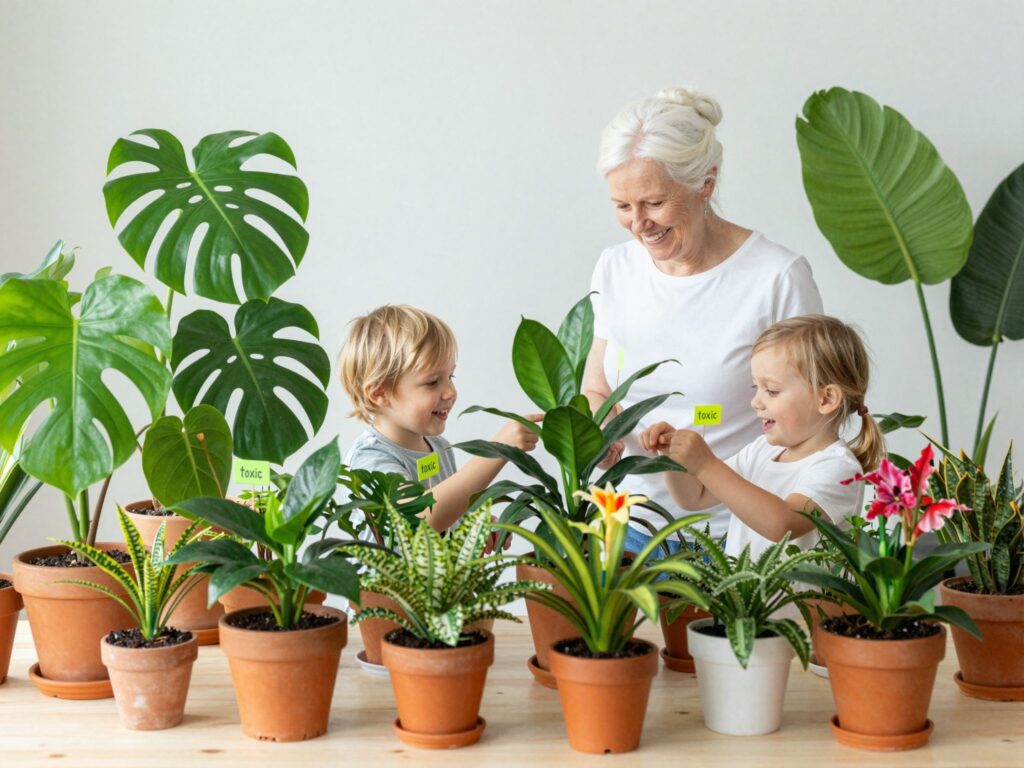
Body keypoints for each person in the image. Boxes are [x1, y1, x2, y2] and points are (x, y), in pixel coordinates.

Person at [584, 86, 824, 552]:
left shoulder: (776, 278)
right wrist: (598, 427)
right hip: (625, 526)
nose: (638, 223)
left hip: (732, 534)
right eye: (622, 206)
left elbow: (814, 421)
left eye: (654, 203)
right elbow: (598, 386)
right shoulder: (614, 268)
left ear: (706, 184)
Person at [639, 315, 883, 558]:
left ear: (826, 399)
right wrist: (672, 458)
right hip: (746, 598)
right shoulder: (761, 451)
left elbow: (781, 524)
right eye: (757, 387)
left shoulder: (838, 468)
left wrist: (705, 464)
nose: (756, 402)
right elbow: (695, 497)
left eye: (772, 391)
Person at [338, 304, 541, 534]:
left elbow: (444, 510)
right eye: (433, 382)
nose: (451, 392)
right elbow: (419, 519)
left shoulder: (438, 447)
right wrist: (497, 449)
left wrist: (470, 525)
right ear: (379, 394)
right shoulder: (370, 459)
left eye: (450, 376)